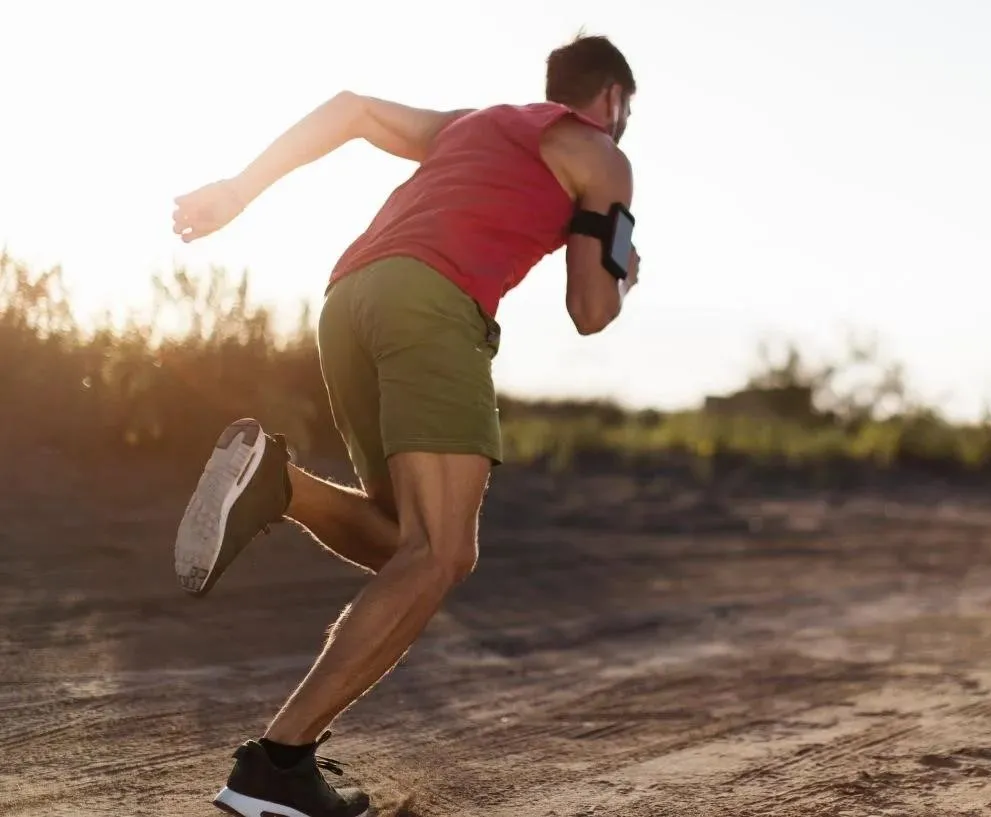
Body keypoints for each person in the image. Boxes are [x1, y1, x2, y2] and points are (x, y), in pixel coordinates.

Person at [169, 34, 640, 817]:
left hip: (350, 299)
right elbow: (591, 311)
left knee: (403, 539)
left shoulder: (473, 123)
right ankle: (277, 767)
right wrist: (624, 263)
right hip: (431, 304)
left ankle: (279, 484)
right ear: (614, 101)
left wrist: (237, 191)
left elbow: (352, 110)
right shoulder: (600, 153)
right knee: (443, 550)